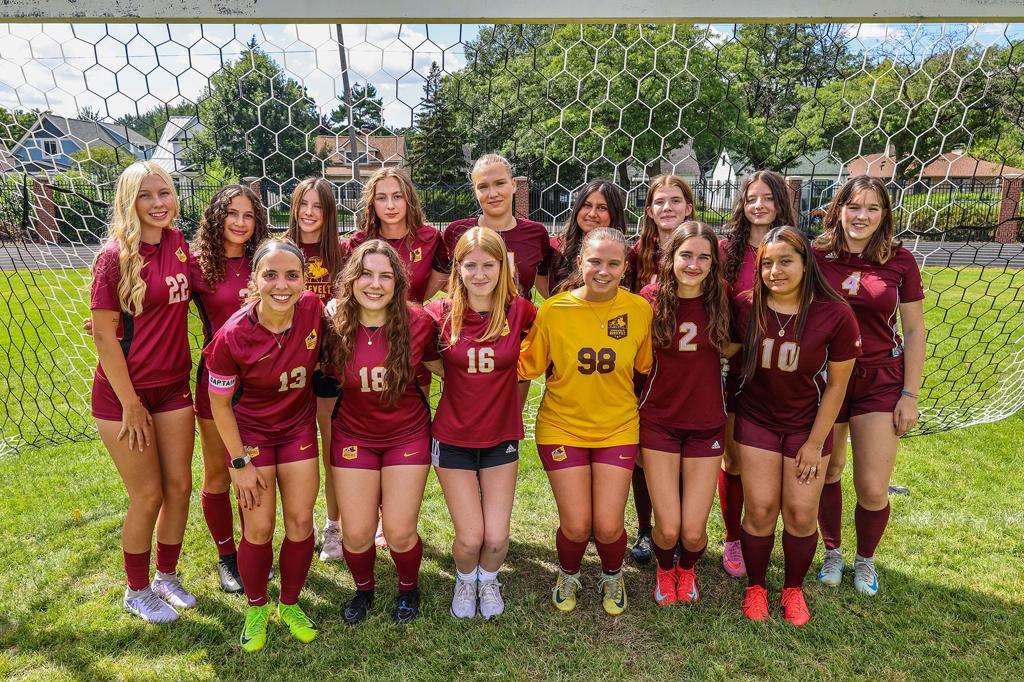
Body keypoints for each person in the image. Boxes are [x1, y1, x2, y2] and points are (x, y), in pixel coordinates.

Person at [519, 227, 653, 616]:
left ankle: (613, 574)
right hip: (562, 426)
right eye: (595, 261)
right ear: (580, 262)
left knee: (609, 526)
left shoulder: (638, 310)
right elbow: (527, 366)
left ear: (626, 268)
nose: (603, 270)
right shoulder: (555, 310)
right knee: (577, 525)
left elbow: (644, 366)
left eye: (613, 263)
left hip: (617, 427)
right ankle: (568, 572)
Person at [732, 226, 861, 626]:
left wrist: (815, 442)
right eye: (767, 263)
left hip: (807, 425)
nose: (775, 271)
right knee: (760, 509)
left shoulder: (834, 312)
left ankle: (792, 588)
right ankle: (755, 587)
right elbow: (724, 349)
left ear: (806, 264)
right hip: (756, 420)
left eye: (786, 261)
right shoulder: (745, 306)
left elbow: (838, 385)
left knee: (802, 514)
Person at [90, 161, 196, 623]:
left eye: (165, 193)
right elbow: (102, 336)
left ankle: (165, 576)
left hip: (173, 386)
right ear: (129, 201)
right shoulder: (114, 257)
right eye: (146, 195)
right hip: (123, 397)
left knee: (179, 487)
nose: (158, 203)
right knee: (148, 495)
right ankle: (135, 590)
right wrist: (131, 403)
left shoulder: (177, 244)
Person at [204, 238, 323, 652]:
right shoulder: (232, 335)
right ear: (255, 280)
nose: (282, 285)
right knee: (259, 527)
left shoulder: (313, 312)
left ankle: (289, 604)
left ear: (304, 281)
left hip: (297, 432)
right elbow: (219, 403)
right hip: (251, 436)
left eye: (292, 275)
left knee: (300, 522)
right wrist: (238, 462)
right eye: (270, 275)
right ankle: (256, 607)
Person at [813, 175, 926, 595]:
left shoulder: (900, 260)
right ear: (838, 209)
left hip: (879, 379)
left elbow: (914, 331)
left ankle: (865, 561)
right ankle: (833, 553)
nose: (862, 216)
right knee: (830, 471)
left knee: (873, 485)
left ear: (884, 216)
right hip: (825, 379)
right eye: (854, 206)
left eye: (872, 208)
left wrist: (910, 395)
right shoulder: (816, 255)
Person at [424, 227, 536, 619]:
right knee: (470, 537)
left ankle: (488, 579)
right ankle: (464, 578)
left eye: (489, 264)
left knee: (496, 537)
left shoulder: (519, 309)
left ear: (503, 266)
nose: (480, 273)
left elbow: (549, 339)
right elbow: (416, 345)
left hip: (500, 436)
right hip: (452, 436)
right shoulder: (439, 313)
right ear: (458, 268)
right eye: (470, 265)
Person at [326, 240, 439, 625]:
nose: (374, 284)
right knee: (356, 535)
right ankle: (364, 589)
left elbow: (450, 366)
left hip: (406, 435)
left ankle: (409, 588)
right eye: (366, 274)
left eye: (385, 276)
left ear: (398, 283)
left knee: (399, 531)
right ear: (351, 279)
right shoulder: (332, 323)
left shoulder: (419, 322)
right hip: (354, 435)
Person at [638, 221, 738, 606]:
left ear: (714, 263)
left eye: (703, 257)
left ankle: (687, 568)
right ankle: (666, 570)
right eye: (686, 255)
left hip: (706, 424)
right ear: (670, 257)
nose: (693, 264)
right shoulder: (649, 298)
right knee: (667, 527)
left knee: (693, 533)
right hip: (659, 422)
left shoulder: (724, 298)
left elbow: (739, 344)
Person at [190, 183, 270, 594]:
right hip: (216, 387)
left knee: (256, 469)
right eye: (232, 214)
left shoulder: (265, 261)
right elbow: (160, 310)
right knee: (220, 472)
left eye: (249, 215)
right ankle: (227, 557)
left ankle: (253, 547)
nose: (240, 223)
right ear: (217, 217)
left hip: (263, 387)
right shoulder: (198, 264)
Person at [717, 170, 797, 578]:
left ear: (782, 202)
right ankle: (733, 538)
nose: (759, 205)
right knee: (732, 460)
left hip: (783, 371)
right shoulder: (724, 251)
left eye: (767, 197)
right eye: (751, 198)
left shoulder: (798, 250)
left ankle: (770, 534)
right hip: (735, 370)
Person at [627, 174, 696, 563]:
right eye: (659, 202)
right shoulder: (638, 254)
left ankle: (682, 526)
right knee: (643, 453)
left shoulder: (705, 248)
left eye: (675, 200)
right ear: (649, 211)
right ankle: (644, 530)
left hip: (688, 368)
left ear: (689, 206)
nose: (666, 208)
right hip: (645, 365)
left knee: (685, 453)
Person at [284, 177, 347, 561]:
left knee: (330, 449)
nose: (309, 213)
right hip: (286, 369)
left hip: (328, 367)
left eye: (317, 206)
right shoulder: (277, 250)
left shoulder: (343, 252)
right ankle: (297, 528)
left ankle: (334, 527)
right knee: (292, 455)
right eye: (302, 204)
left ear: (328, 213)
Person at [431, 153, 552, 298]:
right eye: (483, 187)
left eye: (500, 183)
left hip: (519, 319)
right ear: (475, 191)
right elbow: (440, 280)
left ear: (513, 185)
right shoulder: (456, 232)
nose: (493, 193)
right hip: (469, 320)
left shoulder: (536, 233)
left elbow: (543, 281)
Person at [345, 167, 444, 303]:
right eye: (381, 198)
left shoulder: (430, 238)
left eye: (397, 196)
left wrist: (414, 304)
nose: (390, 206)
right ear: (372, 203)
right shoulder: (360, 241)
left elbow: (444, 278)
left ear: (409, 199)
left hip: (412, 320)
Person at [546, 179, 627, 294]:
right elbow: (541, 278)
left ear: (614, 214)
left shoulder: (624, 253)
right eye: (587, 205)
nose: (592, 214)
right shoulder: (555, 246)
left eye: (602, 208)